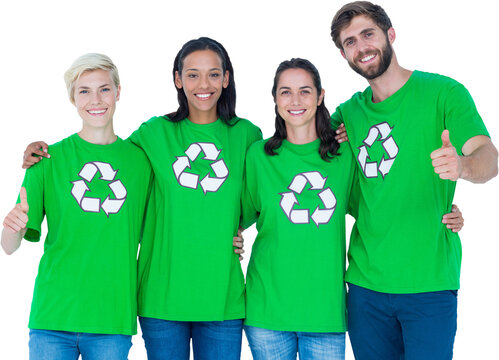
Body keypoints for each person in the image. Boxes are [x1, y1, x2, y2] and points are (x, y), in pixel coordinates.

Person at [23, 37, 261, 360]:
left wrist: (235, 230)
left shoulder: (247, 135)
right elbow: (105, 152)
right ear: (177, 79)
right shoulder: (154, 134)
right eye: (192, 74)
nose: (203, 84)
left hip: (223, 295)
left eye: (213, 74)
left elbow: (260, 194)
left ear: (227, 78)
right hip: (160, 296)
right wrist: (41, 151)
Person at [329, 2, 498, 359]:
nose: (361, 47)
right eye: (349, 42)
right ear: (344, 54)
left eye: (368, 34)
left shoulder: (443, 94)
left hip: (429, 283)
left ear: (390, 34)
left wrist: (463, 167)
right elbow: (302, 167)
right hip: (365, 286)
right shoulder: (346, 115)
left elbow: (488, 156)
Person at [2, 53, 152, 360]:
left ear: (118, 92)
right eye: (84, 90)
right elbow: (8, 247)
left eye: (104, 89)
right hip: (54, 318)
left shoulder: (142, 163)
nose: (95, 100)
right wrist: (11, 226)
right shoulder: (47, 161)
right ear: (73, 98)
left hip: (112, 318)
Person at [241, 58, 355, 360]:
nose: (295, 100)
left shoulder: (345, 156)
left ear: (320, 97)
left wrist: (443, 211)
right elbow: (235, 215)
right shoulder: (259, 156)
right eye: (285, 92)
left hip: (324, 312)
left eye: (305, 91)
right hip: (267, 310)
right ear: (275, 99)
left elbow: (377, 206)